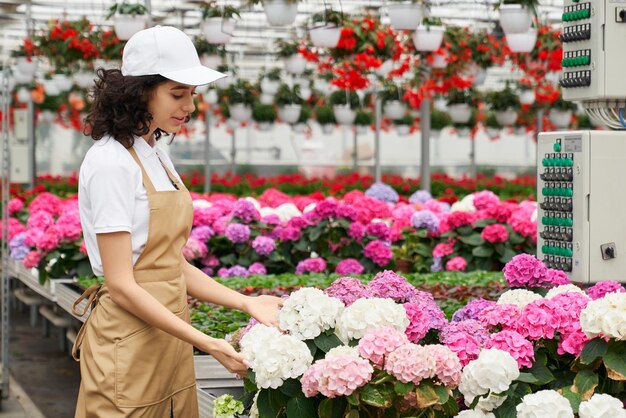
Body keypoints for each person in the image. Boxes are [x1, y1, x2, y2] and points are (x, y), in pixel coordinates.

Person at [72, 26, 283, 418]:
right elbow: (120, 284)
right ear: (139, 92)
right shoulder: (111, 163)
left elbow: (171, 264)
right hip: (129, 340)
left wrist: (246, 303)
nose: (188, 106)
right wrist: (208, 342)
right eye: (177, 93)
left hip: (168, 332)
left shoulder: (154, 152)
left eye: (192, 95)